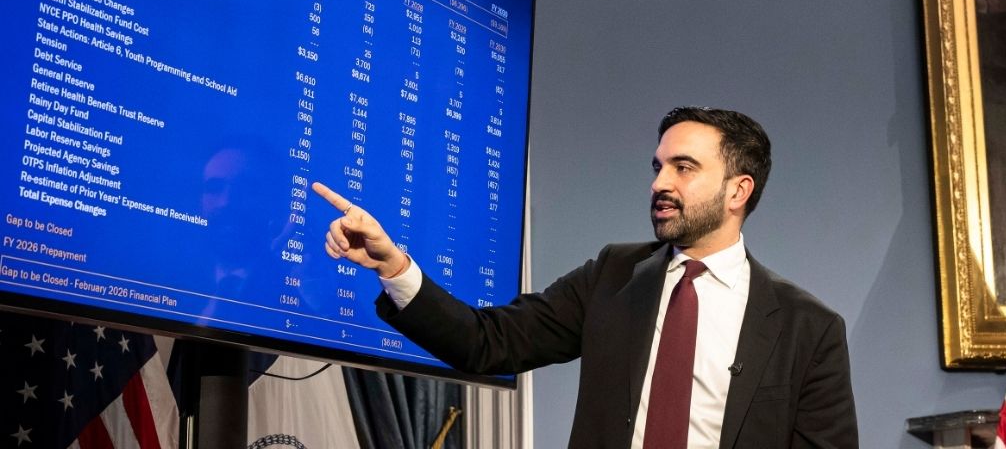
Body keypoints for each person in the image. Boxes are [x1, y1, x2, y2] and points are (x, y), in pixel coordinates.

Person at [313, 106, 858, 448]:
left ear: (738, 191)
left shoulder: (807, 327)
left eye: (684, 168)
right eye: (658, 167)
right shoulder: (614, 276)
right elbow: (487, 342)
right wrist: (395, 268)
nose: (660, 183)